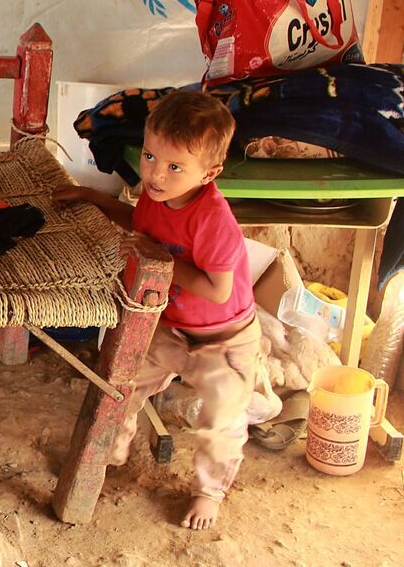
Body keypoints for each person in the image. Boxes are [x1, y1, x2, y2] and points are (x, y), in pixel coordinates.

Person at [51, 90, 273, 530]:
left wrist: (160, 260)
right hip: (170, 325)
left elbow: (215, 288)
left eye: (174, 166)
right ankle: (108, 453)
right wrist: (93, 198)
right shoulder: (155, 194)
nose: (155, 174)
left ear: (210, 172)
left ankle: (209, 491)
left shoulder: (213, 220)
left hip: (224, 338)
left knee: (221, 419)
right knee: (122, 385)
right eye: (150, 156)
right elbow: (141, 224)